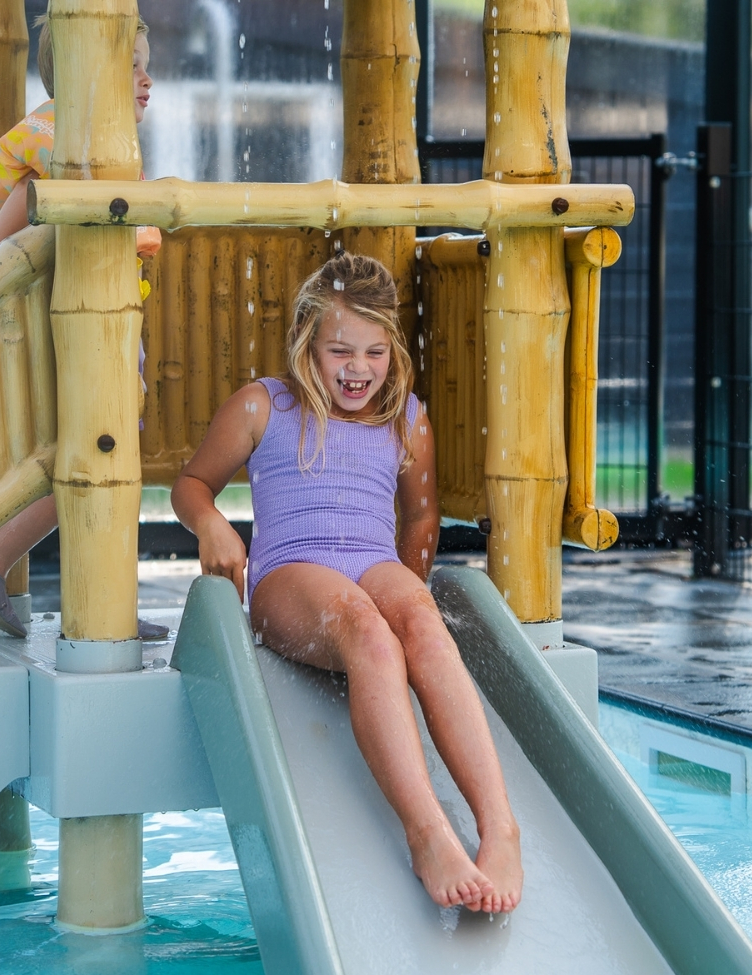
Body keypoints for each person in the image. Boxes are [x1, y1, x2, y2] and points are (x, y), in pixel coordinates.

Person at [171, 253, 524, 915]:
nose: (358, 368)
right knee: (367, 630)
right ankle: (427, 834)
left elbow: (420, 515)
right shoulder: (263, 404)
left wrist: (408, 594)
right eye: (339, 351)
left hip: (371, 562)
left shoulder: (406, 418)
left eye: (374, 352)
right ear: (307, 343)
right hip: (291, 575)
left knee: (422, 627)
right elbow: (191, 484)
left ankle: (501, 829)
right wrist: (212, 523)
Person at [0, 14, 166, 641]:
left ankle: (101, 598)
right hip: (77, 340)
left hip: (101, 333)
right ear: (84, 77)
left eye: (147, 66)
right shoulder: (59, 153)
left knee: (100, 461)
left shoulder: (94, 154)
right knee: (93, 459)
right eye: (130, 67)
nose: (147, 80)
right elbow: (0, 243)